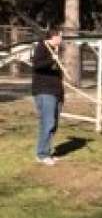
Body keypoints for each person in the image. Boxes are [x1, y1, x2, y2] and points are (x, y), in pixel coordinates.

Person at [31, 27, 63, 166]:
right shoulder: (42, 47)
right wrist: (52, 60)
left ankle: (47, 152)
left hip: (56, 92)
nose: (61, 39)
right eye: (60, 36)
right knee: (47, 122)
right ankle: (42, 154)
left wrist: (62, 95)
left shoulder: (56, 50)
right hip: (44, 91)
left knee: (54, 124)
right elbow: (37, 66)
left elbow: (57, 74)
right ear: (54, 37)